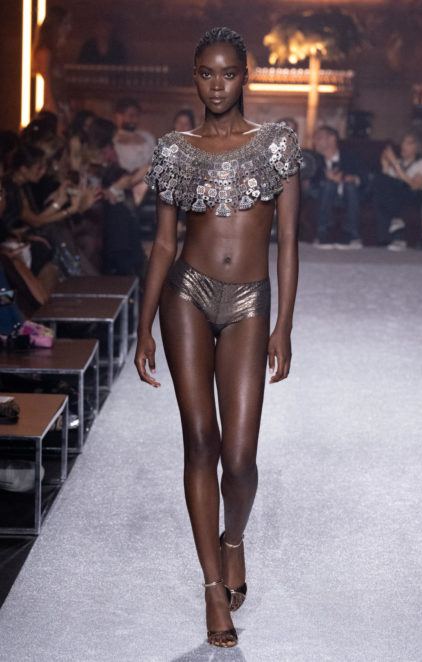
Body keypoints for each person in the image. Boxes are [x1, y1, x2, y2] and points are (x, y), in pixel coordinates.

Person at [134, 27, 302, 648]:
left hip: (251, 302)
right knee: (200, 440)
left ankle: (234, 540)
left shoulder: (277, 145)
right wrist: (143, 325)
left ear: (245, 75)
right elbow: (163, 244)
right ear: (195, 76)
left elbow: (289, 241)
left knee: (240, 457)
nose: (217, 84)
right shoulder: (175, 150)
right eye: (207, 73)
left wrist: (284, 324)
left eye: (229, 73)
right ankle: (212, 589)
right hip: (186, 295)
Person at [372, 127, 422, 250]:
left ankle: (392, 232)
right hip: (395, 197)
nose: (403, 146)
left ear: (418, 147)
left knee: (391, 188)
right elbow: (384, 184)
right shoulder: (398, 162)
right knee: (380, 182)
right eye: (403, 142)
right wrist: (385, 164)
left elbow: (414, 185)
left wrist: (395, 164)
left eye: (409, 143)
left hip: (414, 196)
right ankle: (392, 232)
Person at [310, 126, 367, 249]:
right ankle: (322, 233)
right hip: (324, 195)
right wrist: (326, 178)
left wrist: (350, 178)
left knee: (350, 186)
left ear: (332, 139)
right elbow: (310, 183)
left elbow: (364, 179)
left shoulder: (351, 156)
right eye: (314, 138)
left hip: (348, 195)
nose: (315, 141)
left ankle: (352, 235)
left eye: (319, 138)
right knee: (329, 184)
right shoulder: (313, 159)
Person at [32, 6, 72, 133]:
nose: (69, 27)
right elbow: (47, 86)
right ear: (56, 26)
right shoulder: (45, 53)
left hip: (61, 105)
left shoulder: (57, 53)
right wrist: (56, 114)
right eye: (65, 23)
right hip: (52, 107)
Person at [113, 98, 156, 205]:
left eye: (137, 116)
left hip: (147, 185)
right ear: (119, 116)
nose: (134, 120)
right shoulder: (113, 139)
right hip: (123, 184)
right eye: (131, 116)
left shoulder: (147, 137)